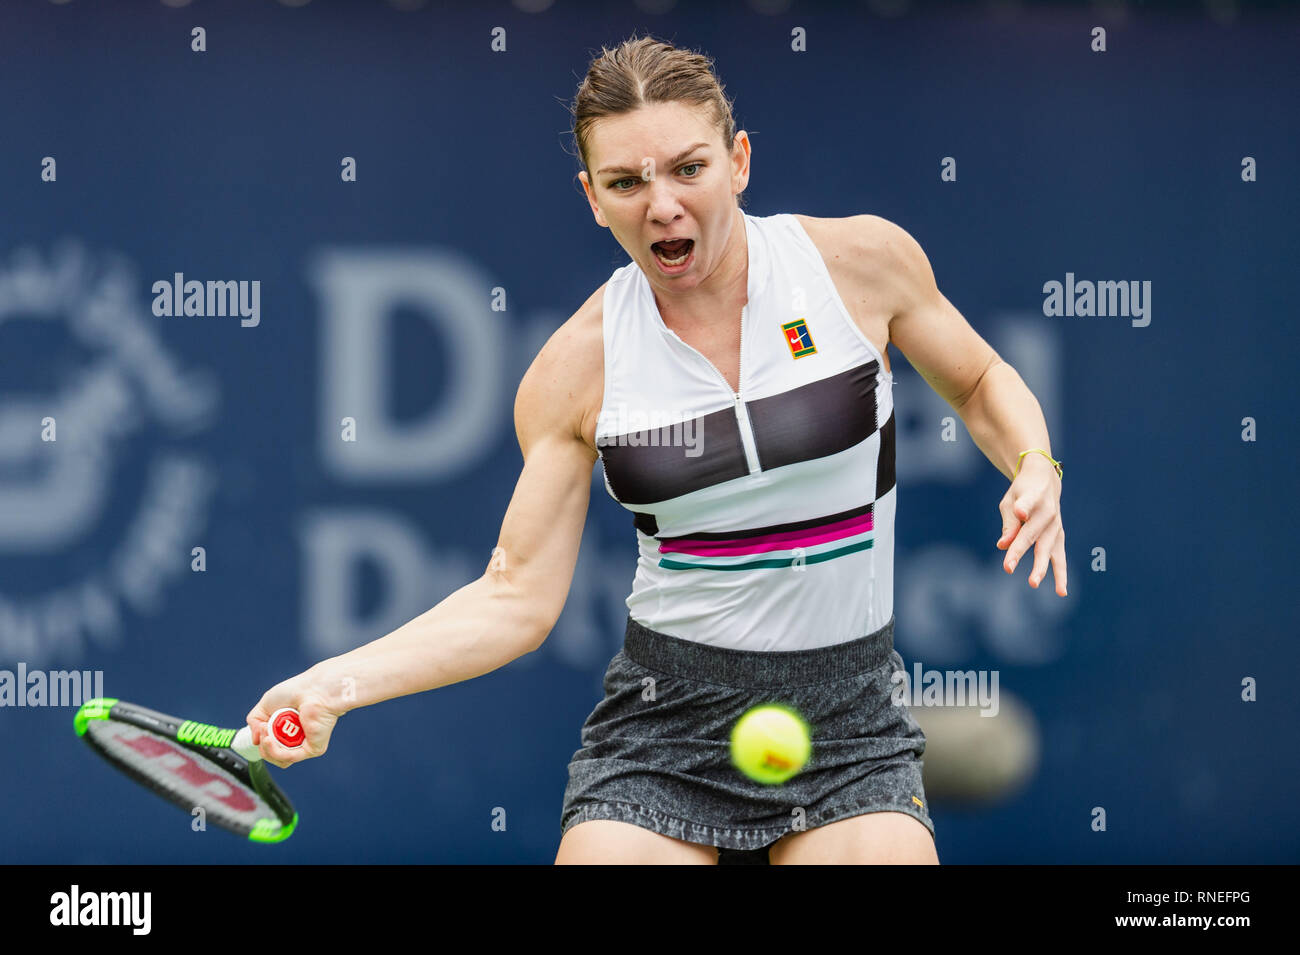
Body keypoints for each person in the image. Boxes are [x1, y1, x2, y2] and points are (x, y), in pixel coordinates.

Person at [244, 35, 1067, 866]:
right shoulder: (575, 370)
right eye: (626, 183)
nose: (662, 205)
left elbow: (980, 380)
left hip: (851, 716)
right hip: (663, 722)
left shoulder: (858, 264)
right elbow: (515, 597)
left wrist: (1036, 462)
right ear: (593, 198)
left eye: (688, 169)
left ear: (739, 161)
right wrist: (333, 685)